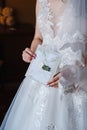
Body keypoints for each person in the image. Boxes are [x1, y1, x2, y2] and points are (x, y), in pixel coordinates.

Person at [0, 0, 87, 130]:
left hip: (75, 77)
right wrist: (31, 52)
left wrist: (74, 72)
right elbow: (38, 38)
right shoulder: (41, 1)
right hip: (43, 74)